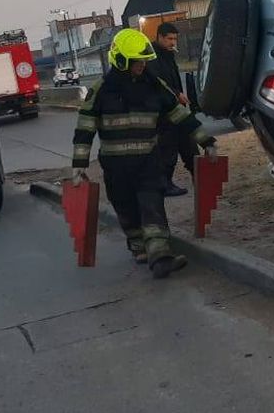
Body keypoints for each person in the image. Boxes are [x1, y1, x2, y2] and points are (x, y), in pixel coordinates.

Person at [71, 28, 218, 278]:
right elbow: (85, 127)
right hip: (116, 167)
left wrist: (206, 140)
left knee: (152, 204)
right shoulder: (102, 90)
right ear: (120, 60)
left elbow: (179, 114)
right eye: (136, 61)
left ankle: (159, 254)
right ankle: (139, 247)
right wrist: (79, 164)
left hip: (148, 161)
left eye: (143, 61)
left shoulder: (154, 85)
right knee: (125, 206)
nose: (141, 66)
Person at [147, 22, 197, 197]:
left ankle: (199, 179)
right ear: (160, 37)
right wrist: (176, 94)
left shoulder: (169, 55)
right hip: (164, 113)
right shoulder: (152, 57)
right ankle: (164, 185)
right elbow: (158, 83)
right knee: (168, 151)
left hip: (178, 110)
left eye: (175, 39)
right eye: (169, 39)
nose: (172, 42)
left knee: (190, 147)